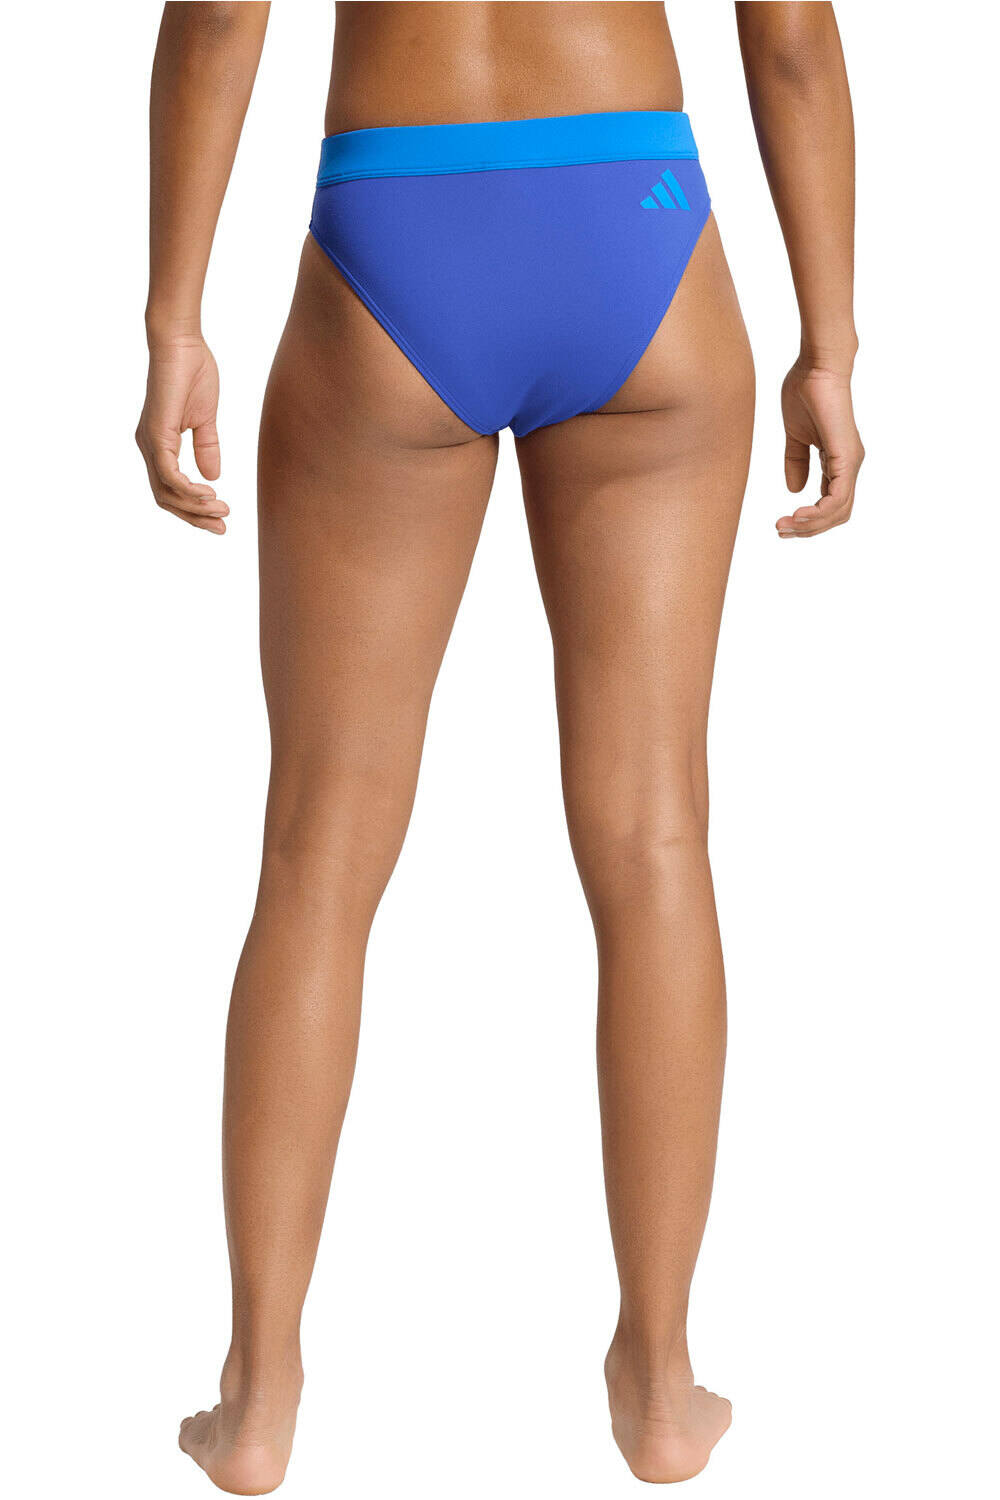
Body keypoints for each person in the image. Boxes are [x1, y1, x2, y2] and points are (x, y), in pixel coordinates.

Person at [136, 2, 863, 1490]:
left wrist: (173, 321)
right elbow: (790, 37)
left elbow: (215, 18)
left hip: (395, 224)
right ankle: (660, 1383)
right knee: (654, 839)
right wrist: (831, 346)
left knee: (318, 851)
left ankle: (258, 1396)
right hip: (633, 224)